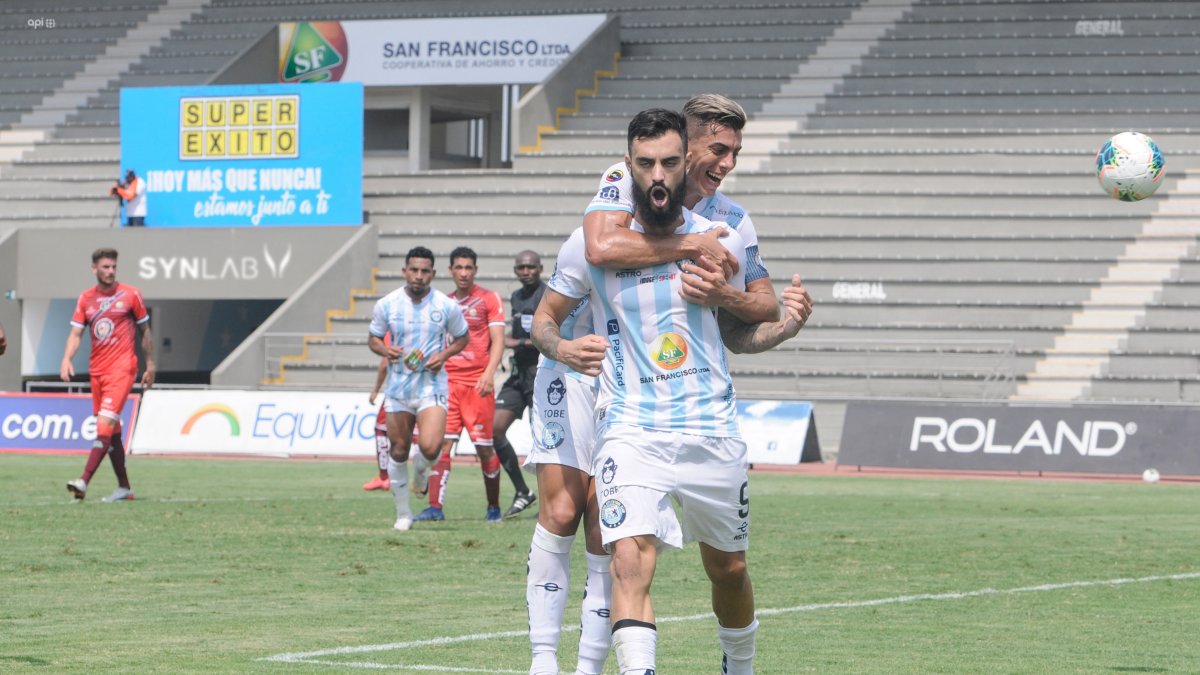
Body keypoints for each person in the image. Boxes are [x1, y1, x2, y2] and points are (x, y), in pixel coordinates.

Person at [532, 109, 811, 674]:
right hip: (631, 427)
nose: (657, 175)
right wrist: (562, 349)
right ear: (627, 167)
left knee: (728, 569)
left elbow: (756, 313)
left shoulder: (723, 236)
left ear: (684, 165)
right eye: (644, 164)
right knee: (629, 560)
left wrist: (765, 316)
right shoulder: (593, 243)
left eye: (667, 163)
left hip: (712, 428)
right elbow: (544, 319)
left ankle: (741, 667)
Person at [583, 93, 780, 325]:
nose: (729, 163)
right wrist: (695, 244)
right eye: (719, 150)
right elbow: (599, 249)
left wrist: (726, 296)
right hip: (598, 347)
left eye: (735, 153)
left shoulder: (734, 218)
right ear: (686, 146)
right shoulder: (628, 176)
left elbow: (768, 307)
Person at [368, 246, 469, 531]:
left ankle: (422, 472)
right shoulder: (387, 304)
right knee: (398, 450)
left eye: (425, 271)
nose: (419, 276)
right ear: (405, 272)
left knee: (431, 446)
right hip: (398, 388)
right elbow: (373, 339)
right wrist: (386, 350)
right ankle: (403, 514)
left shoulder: (446, 306)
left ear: (433, 274)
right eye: (414, 270)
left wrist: (444, 356)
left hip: (431, 386)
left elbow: (462, 337)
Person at [413, 247, 508, 523]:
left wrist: (489, 374)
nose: (464, 273)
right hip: (448, 383)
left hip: (477, 384)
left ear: (475, 270)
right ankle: (435, 508)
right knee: (442, 445)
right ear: (450, 271)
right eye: (459, 268)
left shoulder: (489, 298)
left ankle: (493, 507)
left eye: (469, 267)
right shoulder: (443, 302)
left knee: (484, 448)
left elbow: (498, 339)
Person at [61, 247, 154, 502]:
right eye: (105, 267)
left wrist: (151, 364)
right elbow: (76, 333)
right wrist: (67, 358)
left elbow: (145, 331)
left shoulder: (130, 294)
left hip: (122, 369)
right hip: (97, 372)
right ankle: (124, 488)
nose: (111, 271)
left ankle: (83, 480)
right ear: (94, 269)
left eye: (113, 266)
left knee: (104, 425)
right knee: (111, 431)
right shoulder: (86, 299)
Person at [496, 250, 544, 519]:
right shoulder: (515, 296)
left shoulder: (549, 294)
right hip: (517, 373)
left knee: (544, 441)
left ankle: (550, 502)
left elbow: (552, 332)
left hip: (541, 374)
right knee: (494, 429)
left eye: (531, 267)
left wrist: (519, 342)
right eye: (521, 267)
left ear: (540, 268)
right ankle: (523, 492)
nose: (526, 271)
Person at [362, 355, 391, 491]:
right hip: (427, 393)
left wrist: (376, 390)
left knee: (381, 430)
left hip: (398, 392)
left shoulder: (397, 334)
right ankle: (422, 479)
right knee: (417, 436)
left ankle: (384, 478)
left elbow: (385, 363)